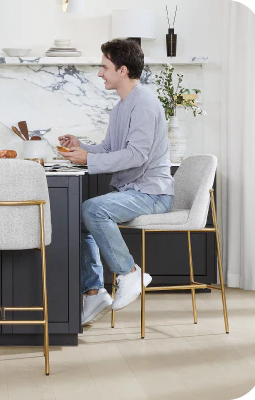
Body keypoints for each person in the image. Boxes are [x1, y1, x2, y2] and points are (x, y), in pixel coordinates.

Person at [59, 39, 175, 326]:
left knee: (93, 210)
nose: (100, 73)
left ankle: (129, 272)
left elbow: (136, 155)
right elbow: (111, 150)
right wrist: (82, 146)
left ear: (122, 70)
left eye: (104, 67)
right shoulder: (122, 107)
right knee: (80, 219)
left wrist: (87, 159)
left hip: (152, 194)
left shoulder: (145, 104)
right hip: (133, 191)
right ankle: (95, 291)